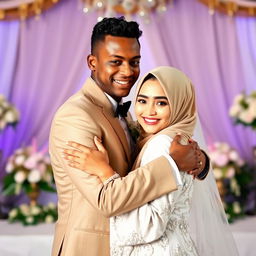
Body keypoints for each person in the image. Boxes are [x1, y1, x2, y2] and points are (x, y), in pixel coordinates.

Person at [49, 17, 208, 256]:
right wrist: (173, 164)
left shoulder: (126, 112)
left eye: (134, 62)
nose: (127, 72)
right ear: (92, 62)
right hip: (89, 247)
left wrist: (199, 160)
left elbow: (149, 150)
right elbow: (106, 200)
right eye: (116, 62)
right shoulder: (75, 116)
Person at [63, 66, 239, 255]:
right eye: (142, 100)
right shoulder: (174, 139)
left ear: (180, 104)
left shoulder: (163, 144)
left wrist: (104, 172)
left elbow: (149, 225)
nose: (149, 111)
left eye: (161, 103)